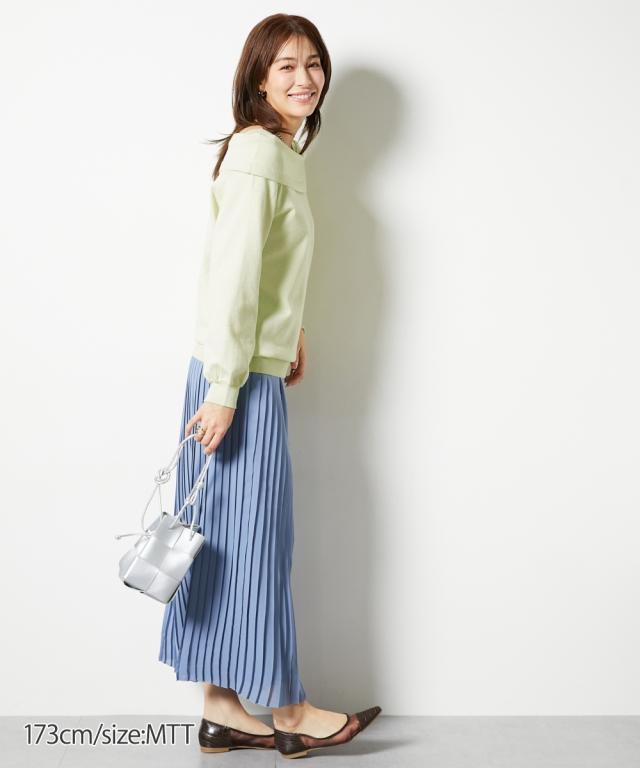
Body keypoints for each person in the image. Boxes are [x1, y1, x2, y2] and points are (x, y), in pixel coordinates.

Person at [158, 13, 381, 758]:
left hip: (243, 369)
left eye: (314, 64)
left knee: (224, 540)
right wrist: (225, 389)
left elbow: (267, 269)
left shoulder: (277, 153)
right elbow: (232, 279)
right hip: (233, 380)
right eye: (285, 65)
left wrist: (292, 332)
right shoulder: (259, 152)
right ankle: (289, 711)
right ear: (258, 77)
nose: (304, 78)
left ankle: (222, 708)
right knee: (254, 542)